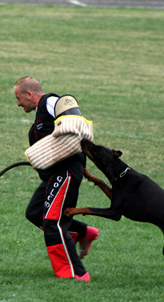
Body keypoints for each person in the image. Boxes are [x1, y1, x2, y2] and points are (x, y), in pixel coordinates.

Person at [13, 76, 99, 282]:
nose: (18, 104)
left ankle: (76, 274)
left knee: (53, 223)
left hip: (67, 172)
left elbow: (77, 125)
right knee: (35, 212)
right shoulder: (41, 113)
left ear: (29, 94)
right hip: (54, 174)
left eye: (18, 98)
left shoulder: (51, 102)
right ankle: (83, 233)